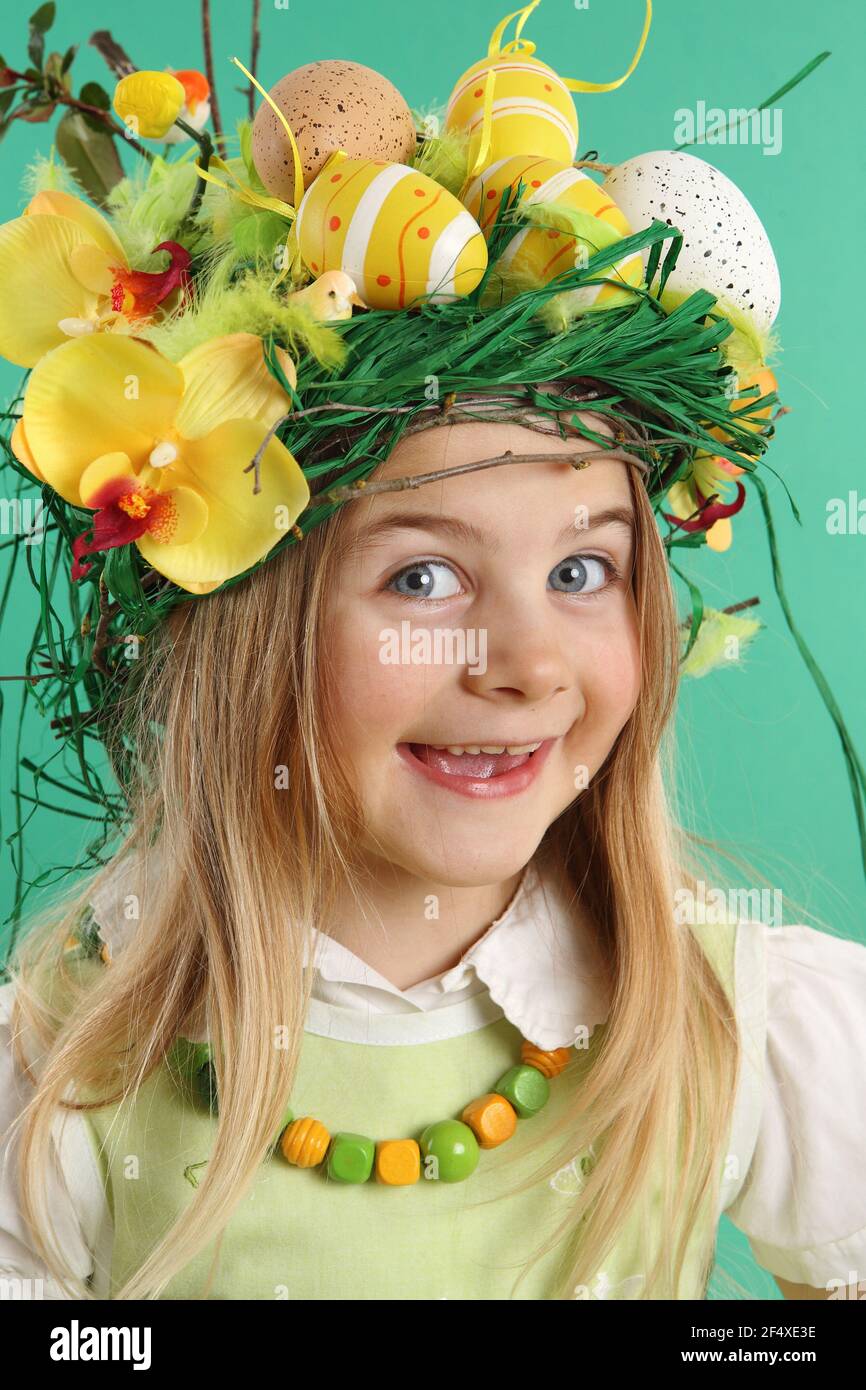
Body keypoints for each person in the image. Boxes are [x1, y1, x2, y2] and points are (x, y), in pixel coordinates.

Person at [1, 0, 864, 1302]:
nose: (525, 660)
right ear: (252, 621)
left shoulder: (734, 1022)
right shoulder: (75, 1059)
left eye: (581, 570)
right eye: (423, 574)